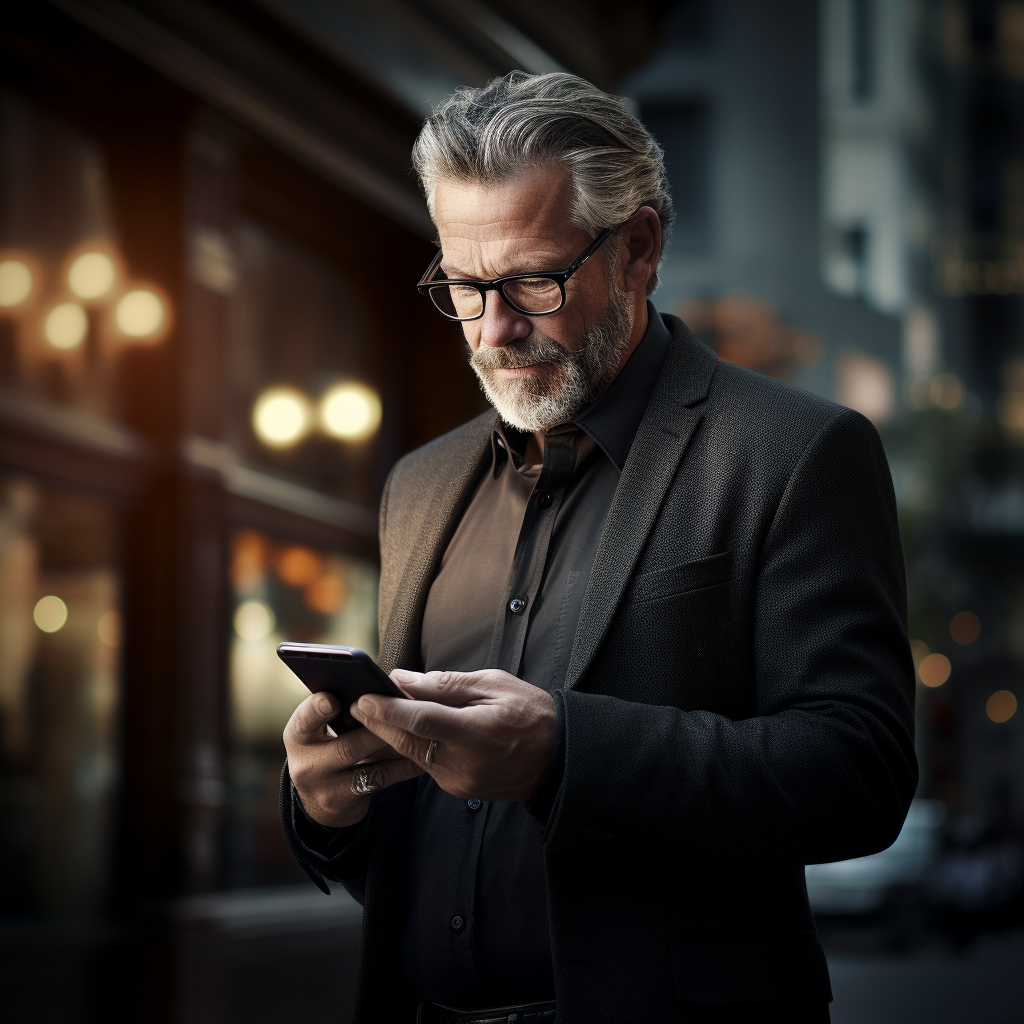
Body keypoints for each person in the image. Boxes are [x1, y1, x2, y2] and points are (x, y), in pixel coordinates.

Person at [280, 71, 917, 1024]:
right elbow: (430, 835)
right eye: (463, 285)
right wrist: (336, 806)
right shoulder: (418, 485)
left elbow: (858, 771)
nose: (494, 330)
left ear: (641, 249)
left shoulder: (794, 451)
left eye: (534, 281)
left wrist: (564, 753)